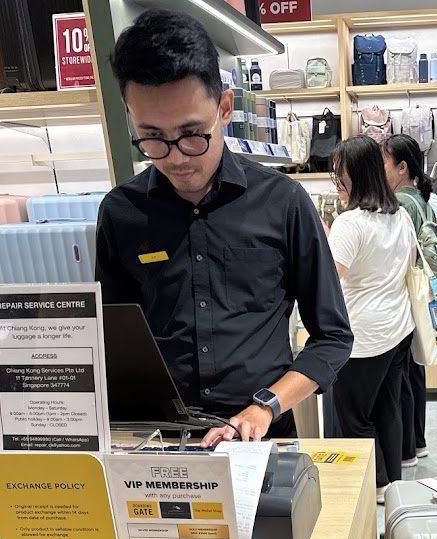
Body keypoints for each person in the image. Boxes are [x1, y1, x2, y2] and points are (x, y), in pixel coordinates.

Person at [95, 9, 352, 445]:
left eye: (193, 133)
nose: (176, 157)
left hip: (261, 434)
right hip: (162, 441)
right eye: (152, 137)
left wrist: (265, 406)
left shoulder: (283, 202)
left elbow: (333, 337)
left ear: (225, 108)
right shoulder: (121, 213)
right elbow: (111, 339)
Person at [327, 136, 416, 502]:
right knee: (388, 407)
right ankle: (392, 481)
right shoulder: (400, 214)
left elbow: (330, 281)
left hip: (363, 336)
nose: (337, 181)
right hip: (399, 326)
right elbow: (410, 263)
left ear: (358, 175)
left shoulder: (350, 224)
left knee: (354, 415)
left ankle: (376, 484)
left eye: (340, 173)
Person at [383, 133, 436, 465]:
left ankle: (408, 446)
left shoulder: (402, 204)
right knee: (415, 371)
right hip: (422, 294)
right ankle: (418, 440)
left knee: (403, 375)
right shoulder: (421, 198)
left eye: (384, 162)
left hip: (407, 295)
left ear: (402, 167)